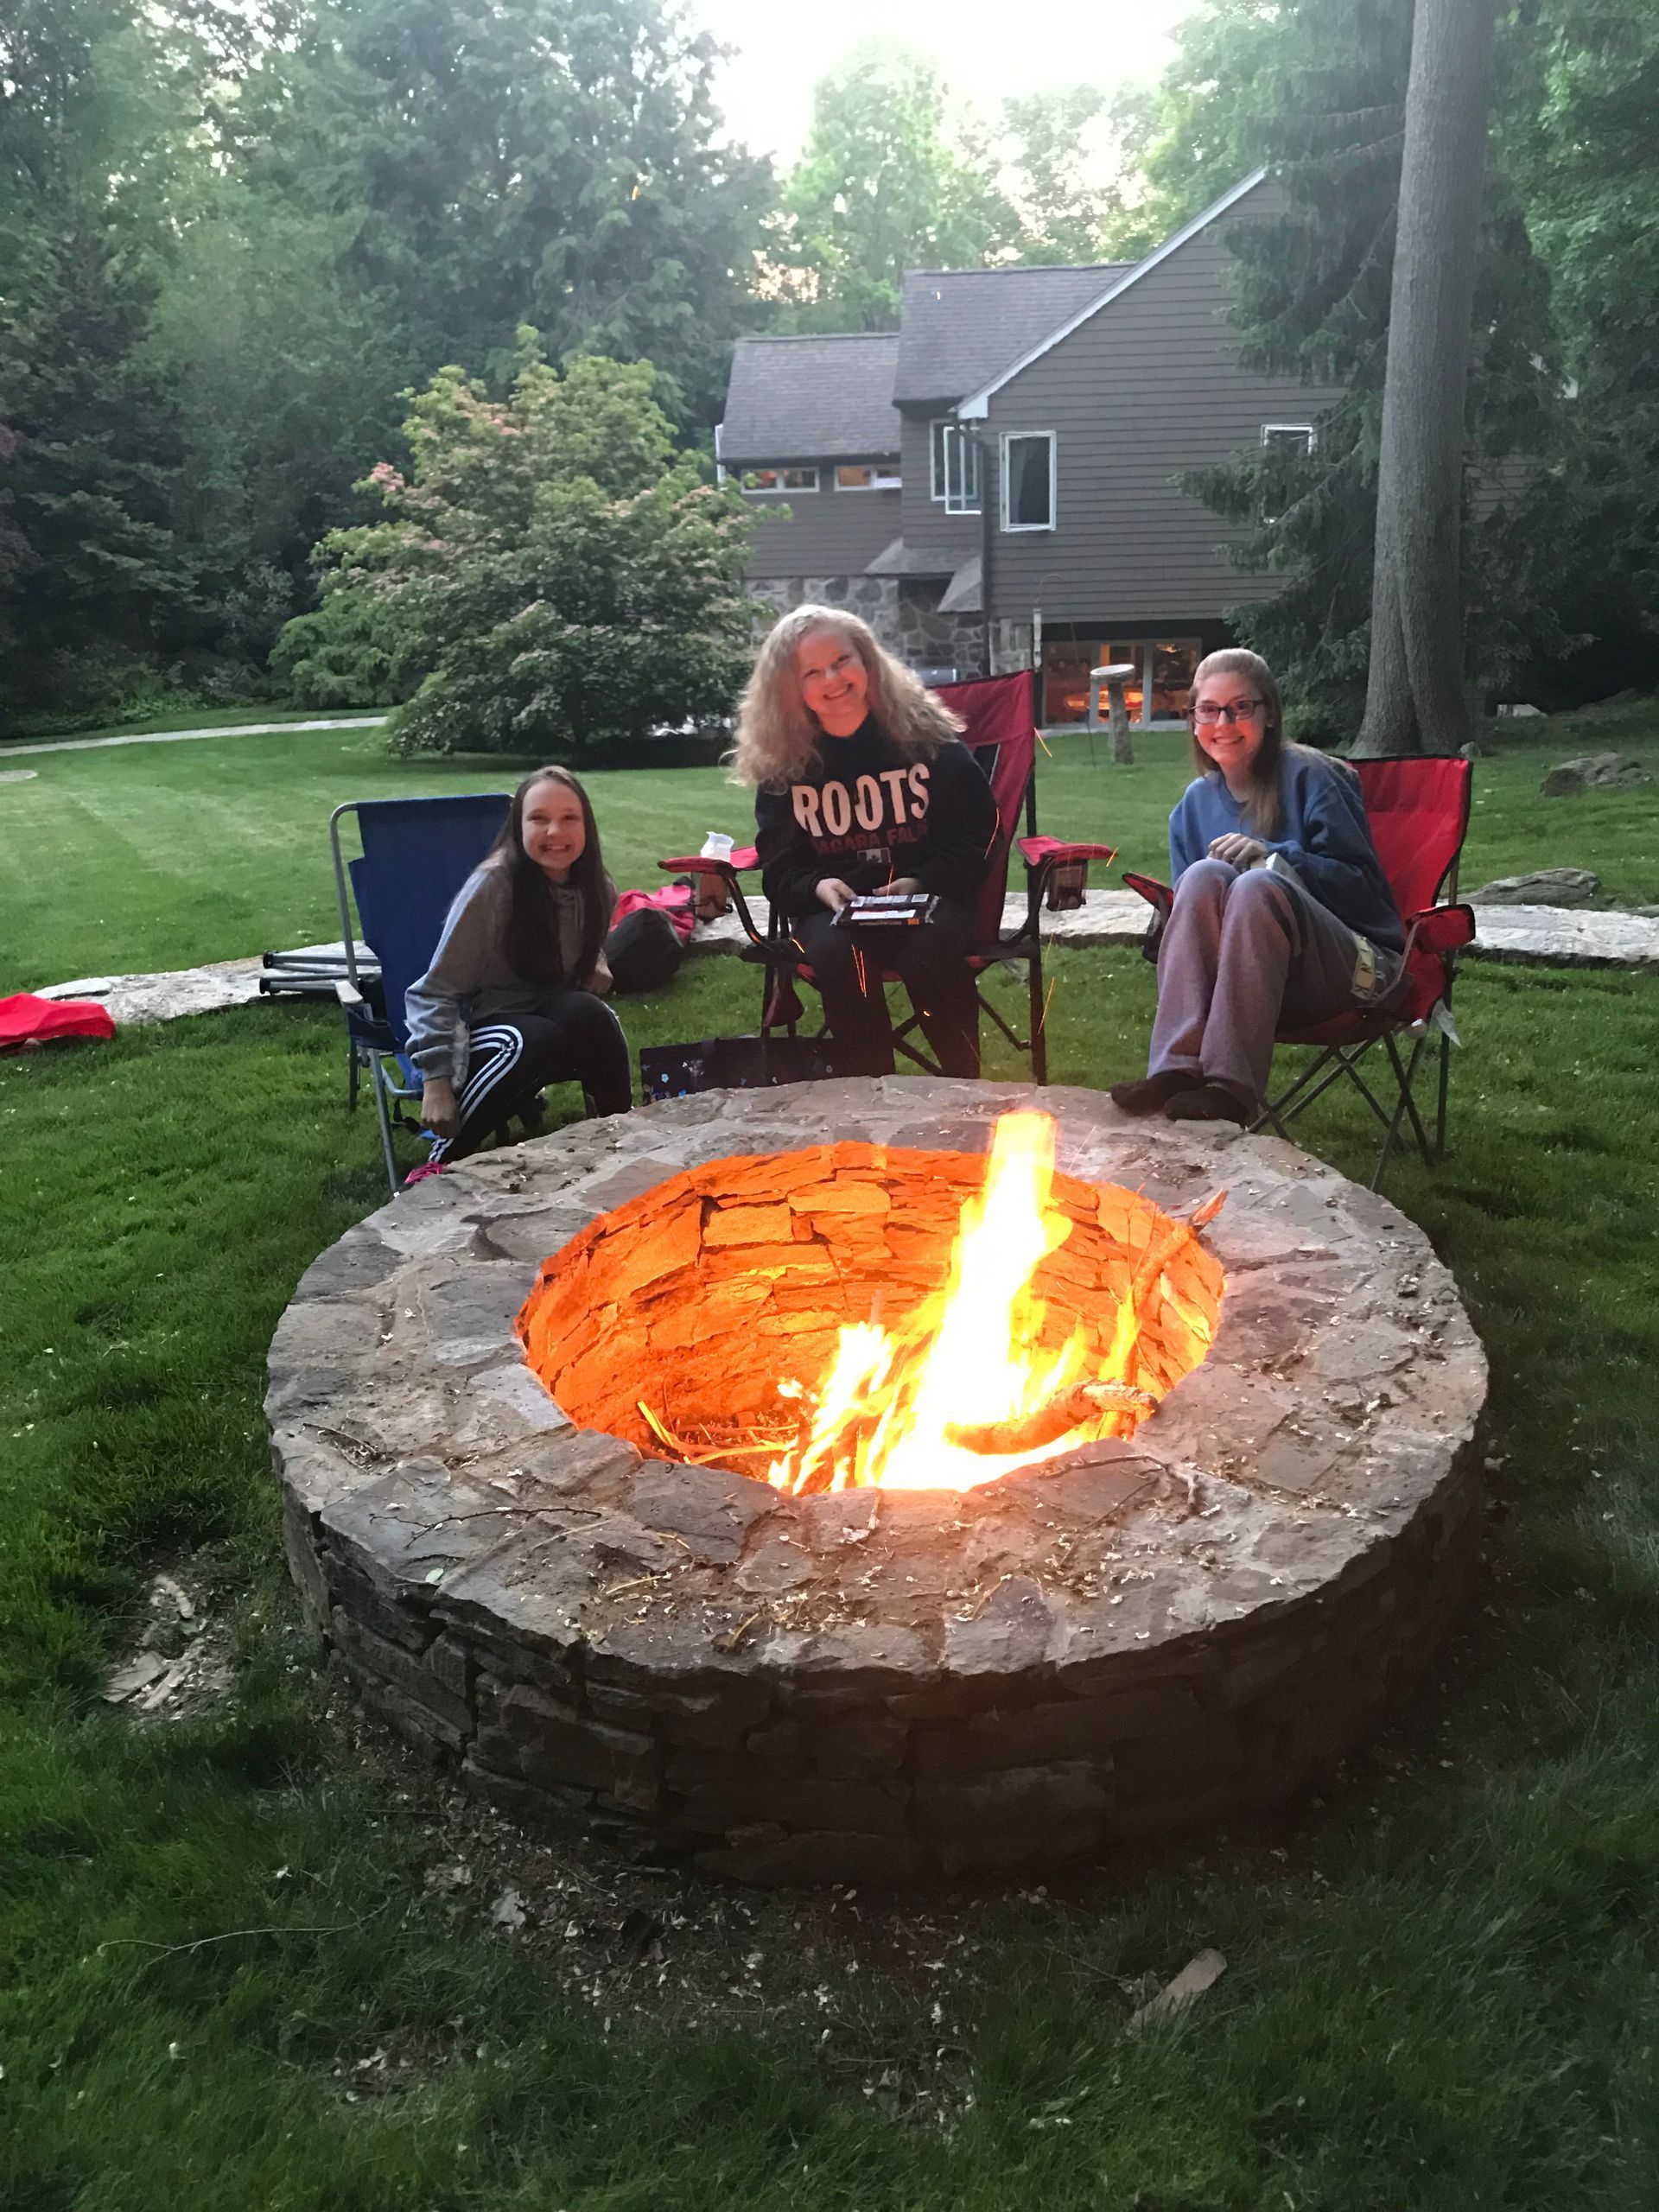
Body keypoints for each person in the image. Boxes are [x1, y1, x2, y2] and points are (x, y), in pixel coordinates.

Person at [1111, 647, 1405, 1127]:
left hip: (1354, 971)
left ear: (1268, 714)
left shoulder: (1315, 778)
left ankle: (1229, 1087)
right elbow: (1191, 926)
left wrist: (1275, 857)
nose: (1223, 721)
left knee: (1256, 886)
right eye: (1208, 709)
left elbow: (1363, 892)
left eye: (1240, 707)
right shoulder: (1192, 806)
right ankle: (1177, 1071)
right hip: (1247, 986)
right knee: (1203, 876)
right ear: (1193, 720)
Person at [731, 607, 999, 1078]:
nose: (832, 679)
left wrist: (920, 879)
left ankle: (966, 1090)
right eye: (811, 672)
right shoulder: (786, 765)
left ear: (868, 661)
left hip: (930, 899)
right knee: (840, 953)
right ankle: (870, 1100)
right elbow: (780, 867)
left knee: (928, 949)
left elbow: (977, 837)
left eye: (841, 660)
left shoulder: (926, 739)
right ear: (791, 689)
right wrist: (820, 887)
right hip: (834, 912)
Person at [404, 766, 632, 1171]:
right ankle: (440, 1164)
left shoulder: (597, 888)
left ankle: (618, 1142)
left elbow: (585, 951)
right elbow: (433, 991)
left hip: (547, 1010)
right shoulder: (494, 887)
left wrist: (595, 961)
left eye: (569, 818)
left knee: (594, 1015)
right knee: (533, 1038)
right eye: (539, 818)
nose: (555, 833)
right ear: (519, 826)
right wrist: (435, 1082)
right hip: (485, 1026)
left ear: (586, 825)